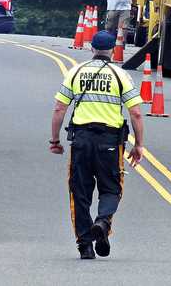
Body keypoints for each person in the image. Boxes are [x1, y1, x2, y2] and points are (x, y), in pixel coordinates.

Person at [50, 30, 145, 260]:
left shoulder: (76, 72)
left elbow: (59, 109)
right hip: (110, 142)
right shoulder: (121, 75)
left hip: (81, 141)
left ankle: (85, 245)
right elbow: (136, 113)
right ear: (113, 50)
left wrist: (55, 140)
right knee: (112, 188)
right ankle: (102, 222)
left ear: (91, 48)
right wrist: (138, 144)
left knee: (79, 192)